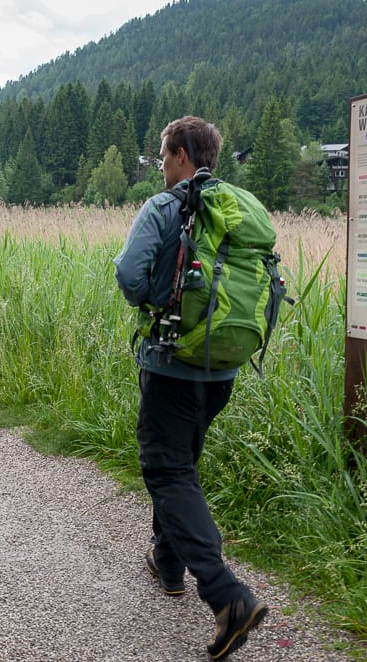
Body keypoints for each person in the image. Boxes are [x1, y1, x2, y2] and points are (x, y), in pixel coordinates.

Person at [113, 116, 268, 660]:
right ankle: (168, 560)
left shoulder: (166, 207)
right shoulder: (239, 208)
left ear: (180, 154)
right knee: (182, 461)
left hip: (173, 363)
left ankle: (229, 599)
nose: (160, 166)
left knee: (166, 467)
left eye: (162, 155)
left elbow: (130, 276)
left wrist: (155, 302)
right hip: (223, 368)